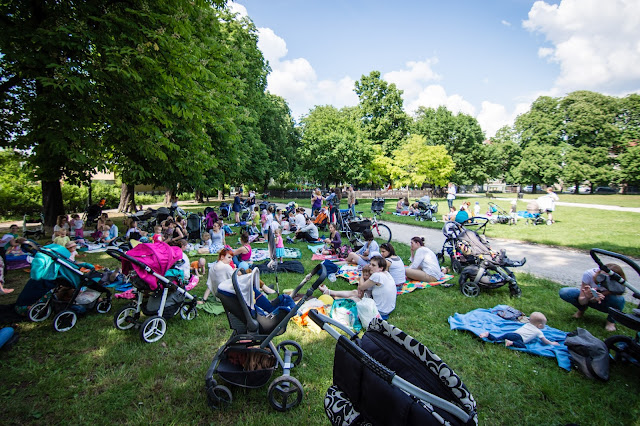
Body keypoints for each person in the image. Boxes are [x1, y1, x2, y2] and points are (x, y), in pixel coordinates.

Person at [319, 255, 396, 319]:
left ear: (381, 268)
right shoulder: (386, 273)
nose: (370, 267)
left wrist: (362, 273)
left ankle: (332, 296)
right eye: (370, 264)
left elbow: (361, 287)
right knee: (355, 292)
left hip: (380, 311)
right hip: (389, 308)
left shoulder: (377, 276)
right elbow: (361, 290)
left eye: (373, 265)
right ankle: (329, 292)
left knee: (354, 299)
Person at [559, 263, 626, 331]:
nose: (604, 280)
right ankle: (581, 310)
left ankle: (611, 321)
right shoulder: (588, 274)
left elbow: (615, 292)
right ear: (599, 272)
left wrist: (601, 295)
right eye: (602, 276)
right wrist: (588, 297)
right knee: (565, 292)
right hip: (590, 296)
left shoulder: (618, 282)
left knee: (619, 299)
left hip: (606, 299)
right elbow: (581, 300)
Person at [478, 312, 560, 348]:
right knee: (523, 346)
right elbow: (545, 341)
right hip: (518, 338)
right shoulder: (538, 331)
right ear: (540, 325)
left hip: (511, 334)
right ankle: (511, 343)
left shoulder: (527, 324)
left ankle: (488, 334)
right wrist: (552, 343)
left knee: (497, 339)